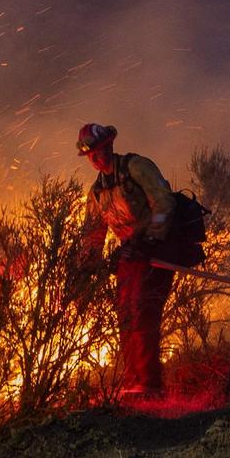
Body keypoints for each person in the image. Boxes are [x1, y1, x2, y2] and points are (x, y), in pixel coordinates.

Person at [77, 122, 176, 399]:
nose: (97, 158)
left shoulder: (137, 167)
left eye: (100, 150)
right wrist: (85, 270)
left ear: (110, 145)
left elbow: (164, 202)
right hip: (129, 256)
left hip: (157, 252)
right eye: (92, 155)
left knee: (144, 311)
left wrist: (150, 241)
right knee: (126, 317)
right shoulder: (96, 193)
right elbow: (92, 237)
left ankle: (150, 385)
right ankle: (134, 383)